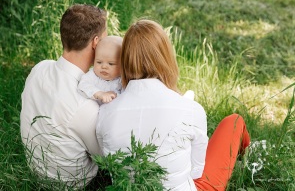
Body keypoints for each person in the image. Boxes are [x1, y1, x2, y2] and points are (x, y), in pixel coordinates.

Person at [96, 19, 250, 191]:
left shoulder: (105, 112)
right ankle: (251, 155)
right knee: (234, 121)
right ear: (165, 57)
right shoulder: (191, 109)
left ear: (124, 61)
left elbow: (110, 165)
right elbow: (196, 171)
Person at [20, 4, 107, 189]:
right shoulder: (86, 104)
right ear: (95, 42)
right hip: (70, 183)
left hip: (35, 169)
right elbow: (103, 156)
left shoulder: (40, 68)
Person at [78, 36, 123, 104]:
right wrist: (99, 94)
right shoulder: (93, 75)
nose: (104, 66)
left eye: (111, 64)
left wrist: (116, 95)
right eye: (99, 62)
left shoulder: (122, 80)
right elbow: (83, 85)